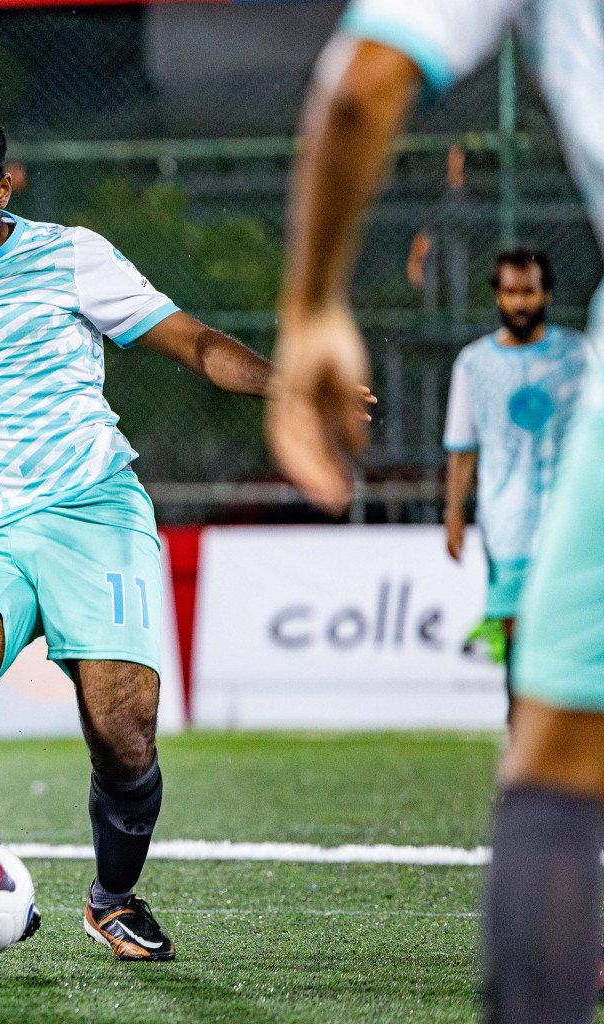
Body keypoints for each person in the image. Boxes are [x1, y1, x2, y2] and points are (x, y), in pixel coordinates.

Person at [0, 106, 277, 966]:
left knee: (124, 731)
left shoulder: (71, 256)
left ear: (4, 187)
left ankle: (112, 900)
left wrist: (293, 388)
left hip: (91, 512)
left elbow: (192, 342)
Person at [265, 2, 604, 1021]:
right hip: (509, 534)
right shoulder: (478, 366)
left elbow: (363, 81)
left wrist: (313, 303)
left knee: (556, 758)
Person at [443, 248, 587, 705]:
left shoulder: (580, 356)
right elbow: (462, 448)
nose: (520, 302)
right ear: (497, 297)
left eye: (528, 291)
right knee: (518, 637)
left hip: (571, 518)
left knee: (568, 632)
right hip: (507, 522)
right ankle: (519, 727)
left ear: (546, 293)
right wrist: (453, 514)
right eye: (510, 292)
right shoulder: (473, 364)